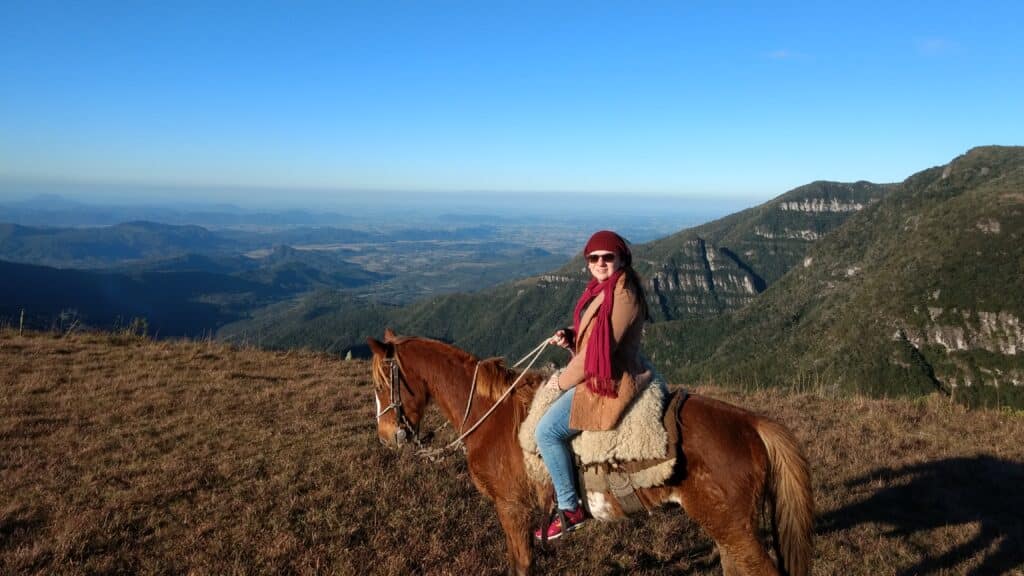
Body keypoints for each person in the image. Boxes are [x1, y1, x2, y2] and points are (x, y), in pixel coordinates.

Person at [534, 230, 652, 540]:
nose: (600, 262)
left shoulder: (624, 295)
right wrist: (571, 335)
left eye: (607, 257)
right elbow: (595, 334)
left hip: (609, 379)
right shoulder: (607, 289)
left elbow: (595, 355)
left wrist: (560, 382)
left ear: (621, 259)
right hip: (600, 369)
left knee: (546, 432)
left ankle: (570, 508)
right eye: (594, 258)